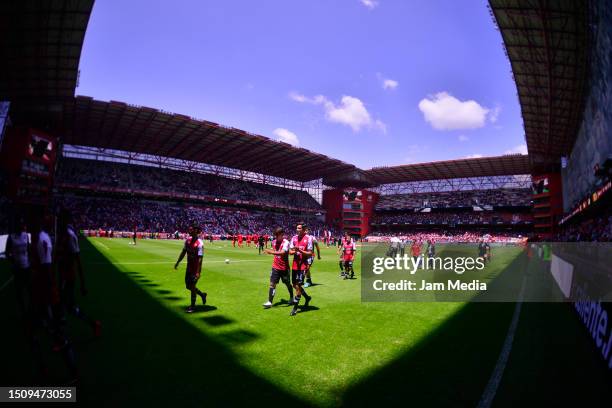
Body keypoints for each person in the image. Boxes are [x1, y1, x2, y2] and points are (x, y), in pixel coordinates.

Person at [57, 211, 102, 337]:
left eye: (60, 219)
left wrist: (82, 283)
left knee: (65, 305)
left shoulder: (70, 236)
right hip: (62, 275)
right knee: (64, 305)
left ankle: (93, 324)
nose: (58, 222)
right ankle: (61, 328)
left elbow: (77, 260)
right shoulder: (61, 234)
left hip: (68, 276)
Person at [174, 225, 207, 313]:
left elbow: (200, 259)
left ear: (196, 231)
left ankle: (192, 306)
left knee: (192, 286)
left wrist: (198, 272)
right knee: (188, 286)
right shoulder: (187, 240)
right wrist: (178, 262)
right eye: (189, 229)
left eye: (191, 229)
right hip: (189, 268)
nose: (189, 230)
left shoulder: (200, 244)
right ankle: (202, 294)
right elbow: (183, 252)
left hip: (195, 269)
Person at [5, 219, 31, 317]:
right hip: (17, 268)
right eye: (20, 225)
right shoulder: (11, 237)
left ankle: (29, 309)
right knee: (19, 290)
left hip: (27, 266)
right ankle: (22, 310)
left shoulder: (25, 236)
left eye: (22, 225)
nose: (22, 226)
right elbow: (7, 252)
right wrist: (13, 261)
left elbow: (28, 248)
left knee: (29, 288)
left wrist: (30, 260)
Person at [262, 227, 293, 308]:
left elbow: (282, 252)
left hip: (284, 268)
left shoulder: (286, 242)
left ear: (282, 234)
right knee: (272, 284)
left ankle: (292, 297)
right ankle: (269, 302)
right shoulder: (274, 242)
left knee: (287, 284)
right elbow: (275, 250)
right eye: (275, 235)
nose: (276, 237)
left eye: (277, 235)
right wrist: (269, 251)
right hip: (275, 267)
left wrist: (271, 252)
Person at [288, 222, 313, 316]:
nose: (297, 230)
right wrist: (294, 250)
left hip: (302, 266)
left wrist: (300, 250)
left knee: (297, 287)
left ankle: (295, 308)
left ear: (303, 229)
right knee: (295, 285)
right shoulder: (294, 238)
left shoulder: (308, 238)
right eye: (297, 228)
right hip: (294, 265)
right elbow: (290, 252)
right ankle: (307, 297)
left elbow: (310, 253)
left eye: (299, 228)